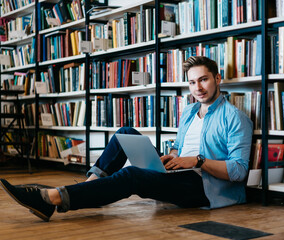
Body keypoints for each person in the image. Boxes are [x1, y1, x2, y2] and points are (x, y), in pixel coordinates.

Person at [0, 56, 253, 222]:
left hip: (204, 188)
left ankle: (52, 199)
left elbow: (239, 171)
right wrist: (173, 156)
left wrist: (197, 161)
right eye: (192, 82)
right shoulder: (188, 111)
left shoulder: (235, 118)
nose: (198, 87)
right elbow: (179, 148)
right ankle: (90, 185)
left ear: (217, 79)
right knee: (124, 133)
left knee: (131, 176)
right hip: (178, 173)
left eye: (204, 80)